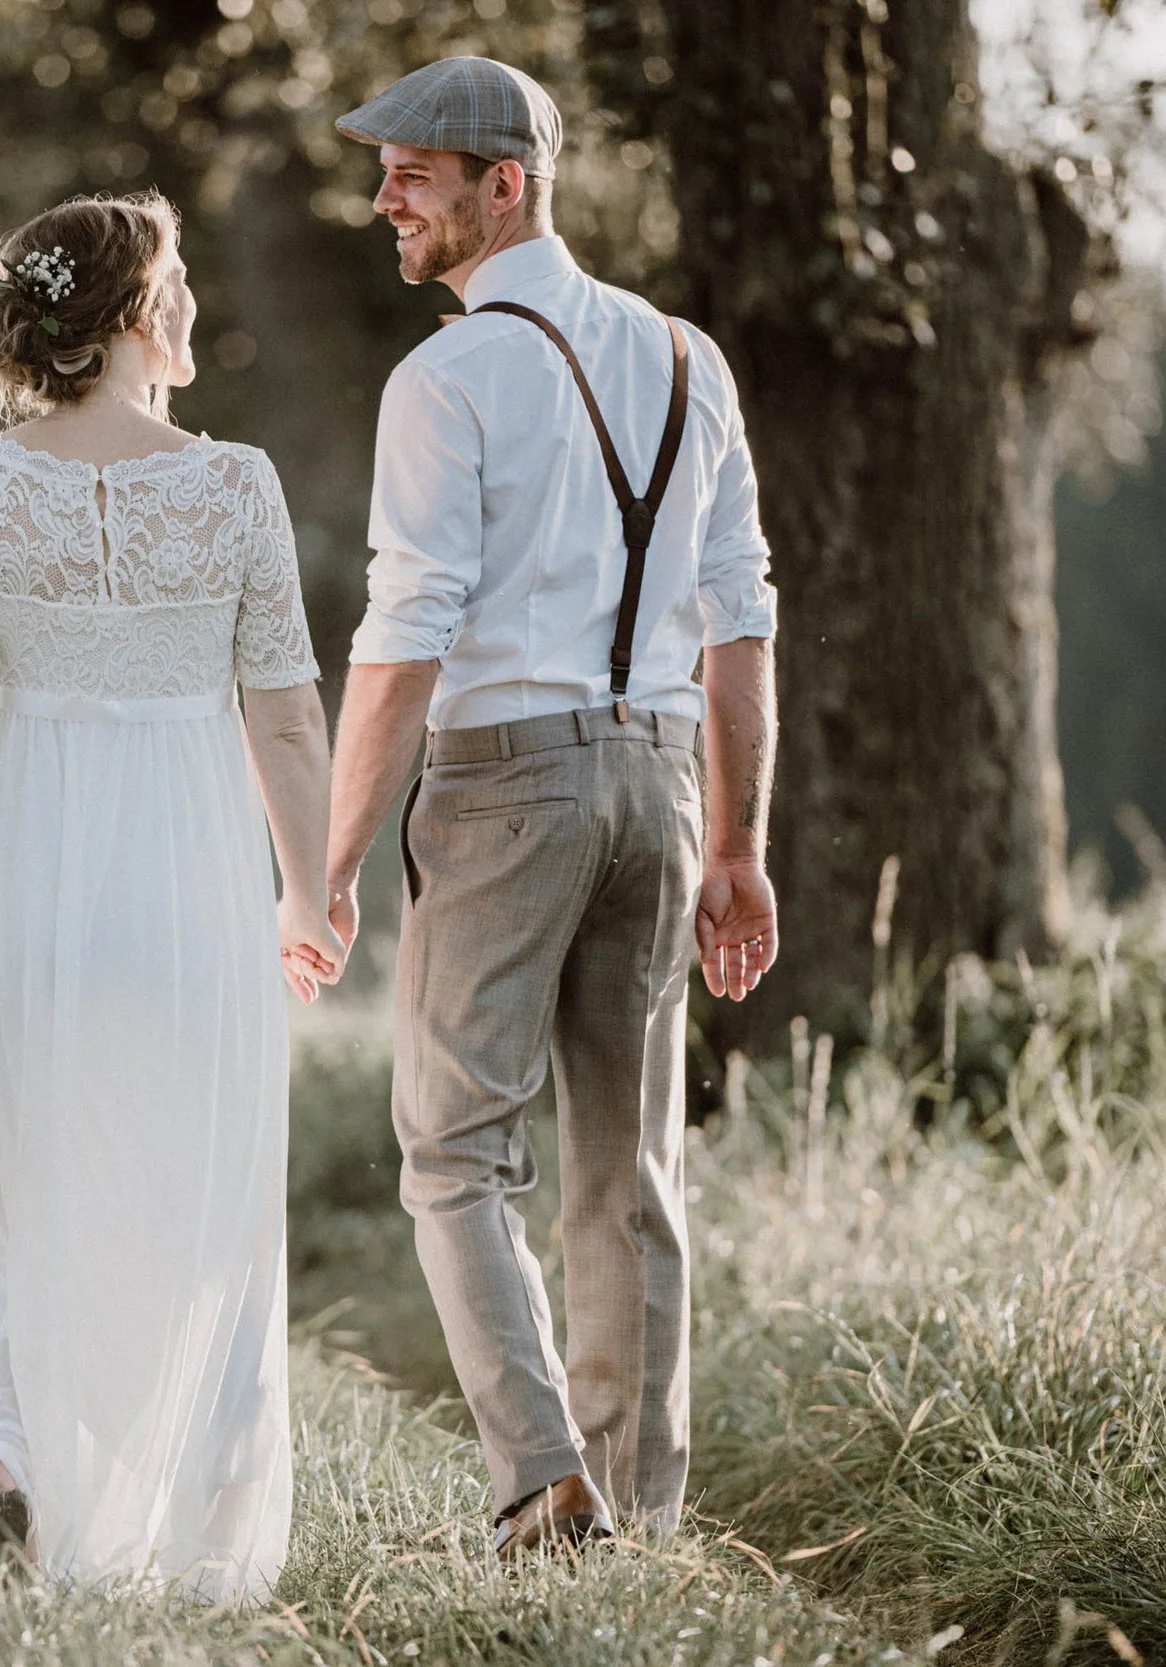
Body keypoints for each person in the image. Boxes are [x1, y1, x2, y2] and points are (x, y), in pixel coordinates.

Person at [0, 191, 345, 1600]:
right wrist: (314, 893)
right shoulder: (236, 484)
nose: (185, 310)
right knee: (205, 1192)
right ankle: (190, 1528)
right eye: (170, 286)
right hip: (189, 877)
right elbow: (290, 722)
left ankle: (3, 1459)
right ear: (127, 317)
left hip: (30, 877)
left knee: (14, 1181)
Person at [323, 58, 782, 1556]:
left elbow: (405, 637)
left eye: (414, 172)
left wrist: (328, 863)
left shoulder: (444, 382)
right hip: (656, 779)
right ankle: (639, 1513)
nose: (384, 195)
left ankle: (544, 1477)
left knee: (454, 1153)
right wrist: (737, 842)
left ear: (502, 183)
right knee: (626, 1173)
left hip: (504, 786)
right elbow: (739, 617)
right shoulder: (687, 358)